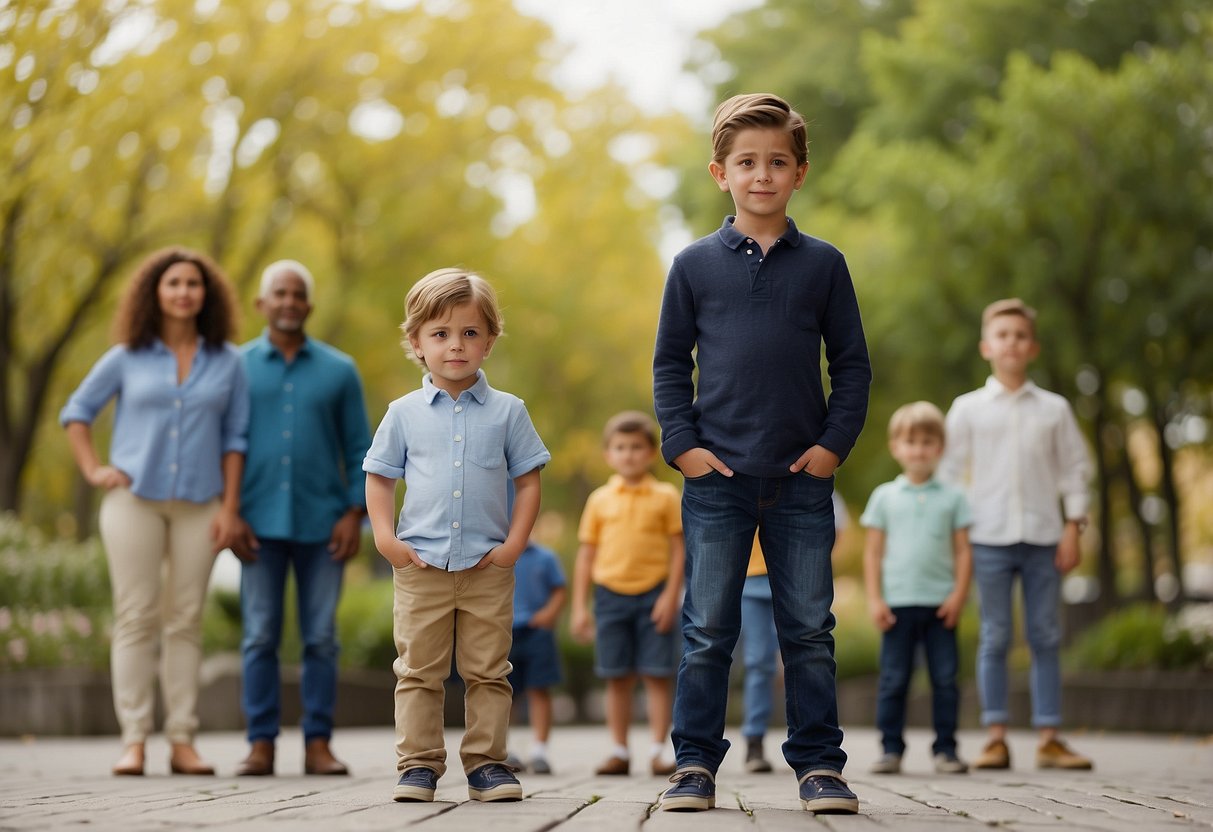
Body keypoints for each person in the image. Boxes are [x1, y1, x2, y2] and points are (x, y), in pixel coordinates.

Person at [652, 93, 871, 814]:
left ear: (799, 172)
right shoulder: (692, 266)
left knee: (807, 630)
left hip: (800, 480)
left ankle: (818, 766)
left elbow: (852, 366)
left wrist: (831, 448)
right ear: (720, 173)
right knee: (707, 629)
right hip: (716, 479)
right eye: (746, 162)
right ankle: (692, 765)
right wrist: (681, 447)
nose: (762, 175)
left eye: (777, 162)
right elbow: (667, 366)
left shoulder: (824, 266)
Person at [363, 267, 550, 803]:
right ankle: (418, 764)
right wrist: (385, 540)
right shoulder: (402, 414)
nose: (455, 345)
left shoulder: (508, 412)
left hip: (487, 567)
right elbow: (379, 479)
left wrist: (513, 544)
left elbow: (529, 482)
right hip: (420, 565)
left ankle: (488, 765)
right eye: (440, 334)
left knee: (489, 670)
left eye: (470, 333)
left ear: (490, 341)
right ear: (416, 343)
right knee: (418, 670)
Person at [60, 247, 249, 777]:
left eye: (193, 283)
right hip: (132, 502)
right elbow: (76, 412)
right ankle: (134, 739)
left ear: (205, 294)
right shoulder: (126, 355)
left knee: (185, 620)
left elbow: (236, 438)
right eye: (173, 283)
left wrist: (230, 508)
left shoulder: (227, 361)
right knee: (136, 616)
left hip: (200, 506)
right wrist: (95, 469)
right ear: (155, 293)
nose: (184, 291)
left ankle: (183, 741)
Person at [938, 298, 1094, 771]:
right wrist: (957, 535)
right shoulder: (967, 410)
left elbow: (1075, 470)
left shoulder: (1055, 409)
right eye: (1003, 335)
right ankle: (996, 737)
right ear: (987, 346)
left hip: (1046, 537)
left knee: (1046, 635)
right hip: (987, 538)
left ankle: (1049, 736)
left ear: (1034, 347)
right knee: (995, 635)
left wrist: (1074, 526)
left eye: (1020, 336)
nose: (1012, 343)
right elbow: (947, 475)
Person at [231, 260, 372, 777]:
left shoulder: (340, 370)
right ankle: (260, 745)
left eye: (297, 295)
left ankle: (319, 745)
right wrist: (230, 514)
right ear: (262, 304)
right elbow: (225, 444)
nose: (289, 302)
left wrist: (355, 513)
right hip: (255, 525)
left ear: (307, 307)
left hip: (323, 525)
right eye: (279, 293)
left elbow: (361, 446)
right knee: (259, 635)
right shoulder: (236, 367)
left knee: (321, 637)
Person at [861, 401, 973, 775]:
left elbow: (962, 551)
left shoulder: (954, 497)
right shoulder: (884, 497)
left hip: (941, 605)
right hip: (897, 605)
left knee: (945, 680)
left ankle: (946, 749)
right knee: (893, 680)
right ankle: (890, 748)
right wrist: (875, 599)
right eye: (910, 442)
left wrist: (958, 595)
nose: (919, 450)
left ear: (940, 448)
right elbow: (873, 553)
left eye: (927, 442)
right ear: (896, 447)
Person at [570, 411, 684, 777]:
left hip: (655, 595)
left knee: (656, 673)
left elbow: (680, 549)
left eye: (637, 447)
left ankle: (659, 749)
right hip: (609, 596)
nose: (629, 454)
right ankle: (618, 749)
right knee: (616, 674)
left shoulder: (666, 496)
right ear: (608, 455)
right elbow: (586, 555)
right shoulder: (600, 500)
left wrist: (671, 596)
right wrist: (580, 608)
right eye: (620, 448)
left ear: (651, 453)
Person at [738, 491, 849, 774]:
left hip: (794, 577)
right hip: (749, 581)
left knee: (806, 653)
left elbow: (835, 530)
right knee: (758, 661)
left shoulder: (817, 482)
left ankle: (809, 741)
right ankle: (754, 739)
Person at [505, 538, 567, 775]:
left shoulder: (545, 556)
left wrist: (548, 615)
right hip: (504, 630)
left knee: (539, 688)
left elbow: (560, 590)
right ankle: (504, 747)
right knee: (504, 692)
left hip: (537, 631)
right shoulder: (494, 554)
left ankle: (539, 750)